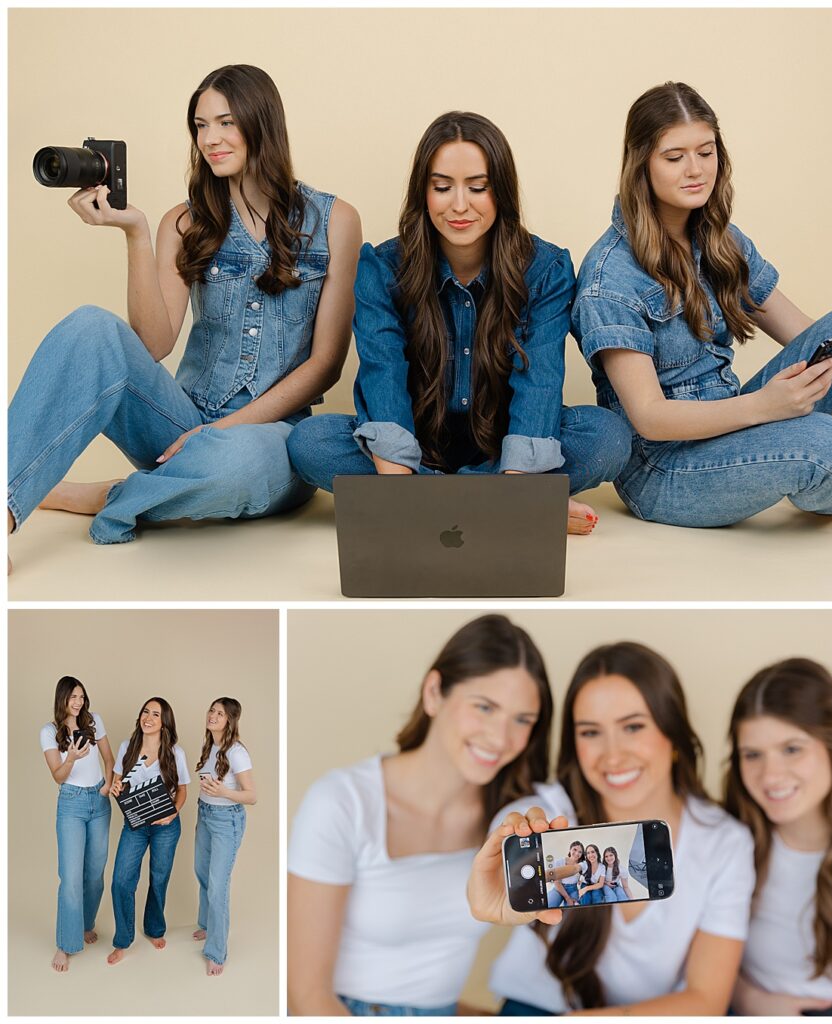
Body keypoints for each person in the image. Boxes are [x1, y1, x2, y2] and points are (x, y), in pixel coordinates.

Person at [7, 64, 360, 565]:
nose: (210, 139)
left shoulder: (335, 221)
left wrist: (223, 431)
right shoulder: (185, 220)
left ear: (263, 123)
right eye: (200, 126)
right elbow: (152, 345)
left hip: (267, 437)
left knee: (234, 466)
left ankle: (101, 495)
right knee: (90, 325)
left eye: (226, 122)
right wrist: (135, 232)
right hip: (178, 424)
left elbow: (325, 363)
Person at [287, 111, 631, 536]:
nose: (460, 205)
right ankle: (509, 507)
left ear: (500, 191)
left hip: (507, 453)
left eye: (478, 187)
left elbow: (540, 381)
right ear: (423, 193)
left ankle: (468, 502)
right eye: (442, 187)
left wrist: (518, 485)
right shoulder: (382, 267)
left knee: (608, 436)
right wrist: (526, 507)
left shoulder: (546, 269)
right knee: (309, 442)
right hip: (411, 452)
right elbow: (383, 376)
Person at [571, 82, 832, 527]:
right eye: (674, 157)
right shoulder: (608, 278)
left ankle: (819, 467)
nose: (695, 170)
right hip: (665, 470)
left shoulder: (723, 241)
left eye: (706, 152)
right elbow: (649, 418)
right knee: (829, 444)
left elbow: (813, 334)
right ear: (640, 164)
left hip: (735, 425)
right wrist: (766, 406)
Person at [468, 641, 754, 1014]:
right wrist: (511, 840)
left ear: (673, 734)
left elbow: (706, 999)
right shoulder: (554, 811)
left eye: (633, 727)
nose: (613, 755)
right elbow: (517, 820)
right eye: (590, 732)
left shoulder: (724, 842)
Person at [287, 614, 553, 1015]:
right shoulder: (341, 803)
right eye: (484, 707)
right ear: (434, 693)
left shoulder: (509, 819)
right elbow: (306, 995)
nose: (501, 738)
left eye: (522, 720)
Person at [724, 658, 832, 1016]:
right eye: (752, 755)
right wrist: (750, 1000)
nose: (771, 776)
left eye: (792, 749)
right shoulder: (731, 841)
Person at [40, 676, 114, 972]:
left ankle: (84, 924)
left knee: (95, 874)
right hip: (70, 802)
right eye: (73, 696)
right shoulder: (49, 732)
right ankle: (65, 943)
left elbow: (109, 759)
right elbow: (58, 776)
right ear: (62, 699)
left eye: (82, 696)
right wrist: (70, 756)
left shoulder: (94, 721)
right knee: (70, 877)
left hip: (98, 801)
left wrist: (107, 786)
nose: (78, 702)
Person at [107, 697, 189, 965]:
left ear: (164, 722)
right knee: (121, 879)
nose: (148, 718)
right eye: (145, 711)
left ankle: (154, 929)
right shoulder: (126, 747)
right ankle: (122, 940)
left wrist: (173, 813)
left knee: (159, 878)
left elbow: (183, 790)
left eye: (155, 714)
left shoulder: (175, 752)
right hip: (135, 824)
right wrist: (115, 787)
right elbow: (118, 782)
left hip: (166, 827)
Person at [193, 697, 256, 976]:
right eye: (211, 710)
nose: (212, 715)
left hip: (226, 820)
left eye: (219, 713)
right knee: (203, 874)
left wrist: (223, 793)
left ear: (230, 719)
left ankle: (216, 951)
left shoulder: (237, 752)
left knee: (218, 885)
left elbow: (252, 795)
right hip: (204, 813)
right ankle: (207, 925)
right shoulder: (211, 746)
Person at [546, 841, 585, 908]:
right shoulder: (559, 862)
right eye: (574, 850)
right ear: (570, 850)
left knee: (571, 910)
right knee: (549, 904)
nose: (576, 853)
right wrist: (567, 898)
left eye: (580, 852)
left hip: (573, 889)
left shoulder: (581, 865)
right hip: (559, 888)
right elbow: (557, 882)